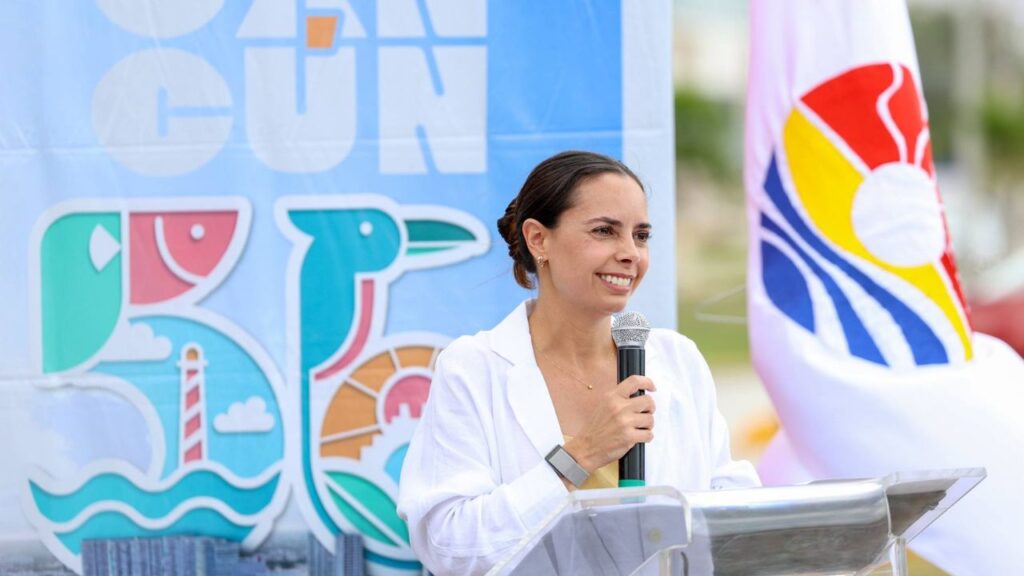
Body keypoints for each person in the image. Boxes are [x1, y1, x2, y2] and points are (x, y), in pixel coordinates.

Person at [397, 151, 760, 575]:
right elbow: (449, 545)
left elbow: (731, 509)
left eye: (641, 235)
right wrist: (580, 455)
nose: (630, 253)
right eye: (605, 231)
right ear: (538, 239)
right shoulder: (473, 368)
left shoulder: (677, 360)